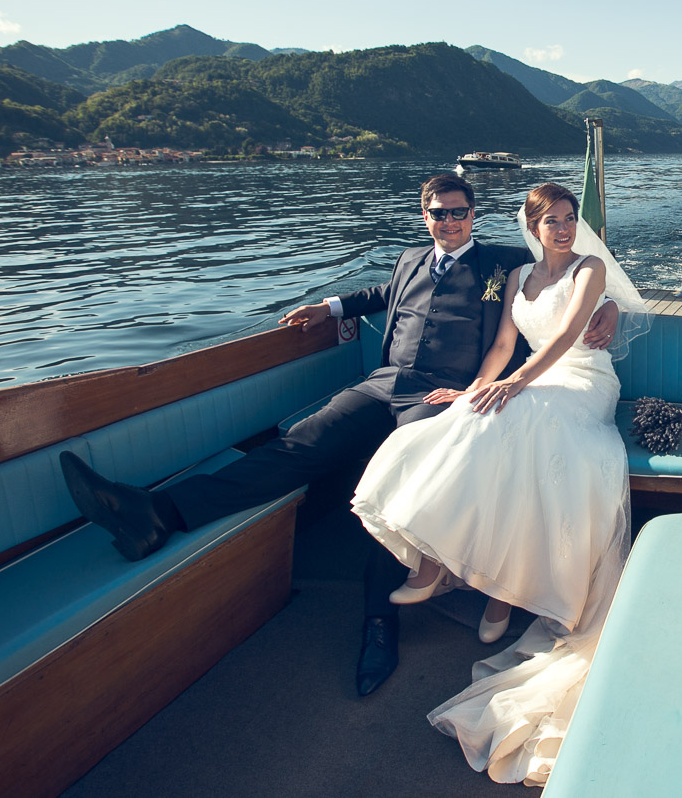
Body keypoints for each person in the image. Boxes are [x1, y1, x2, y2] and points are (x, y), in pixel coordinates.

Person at [58, 173, 620, 697]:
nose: (450, 222)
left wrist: (612, 306)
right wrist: (326, 306)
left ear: (475, 216)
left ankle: (380, 620)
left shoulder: (504, 262)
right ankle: (160, 513)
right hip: (382, 384)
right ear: (425, 215)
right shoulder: (408, 260)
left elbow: (570, 274)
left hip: (441, 394)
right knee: (299, 443)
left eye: (460, 213)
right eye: (440, 213)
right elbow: (380, 295)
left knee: (408, 475)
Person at [350, 182, 647, 785]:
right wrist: (478, 388)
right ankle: (439, 564)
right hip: (535, 380)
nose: (564, 229)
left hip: (585, 382)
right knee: (468, 421)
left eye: (570, 219)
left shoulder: (590, 270)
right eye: (553, 221)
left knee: (523, 419)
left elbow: (564, 338)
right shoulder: (515, 278)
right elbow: (503, 345)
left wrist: (515, 385)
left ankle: (502, 594)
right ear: (532, 228)